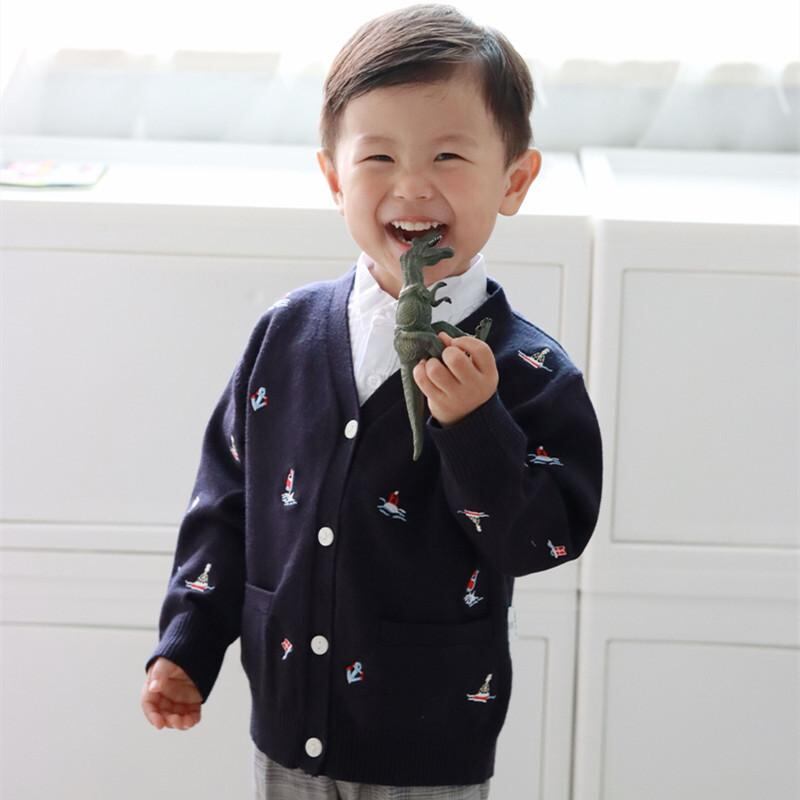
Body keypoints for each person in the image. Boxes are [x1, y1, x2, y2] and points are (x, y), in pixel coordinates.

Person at [140, 4, 603, 798]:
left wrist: (474, 426)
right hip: (286, 718)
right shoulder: (283, 336)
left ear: (515, 180)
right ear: (334, 177)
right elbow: (225, 502)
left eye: (449, 155)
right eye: (379, 156)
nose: (412, 185)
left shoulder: (529, 370)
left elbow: (544, 540)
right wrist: (187, 642)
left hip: (430, 734)